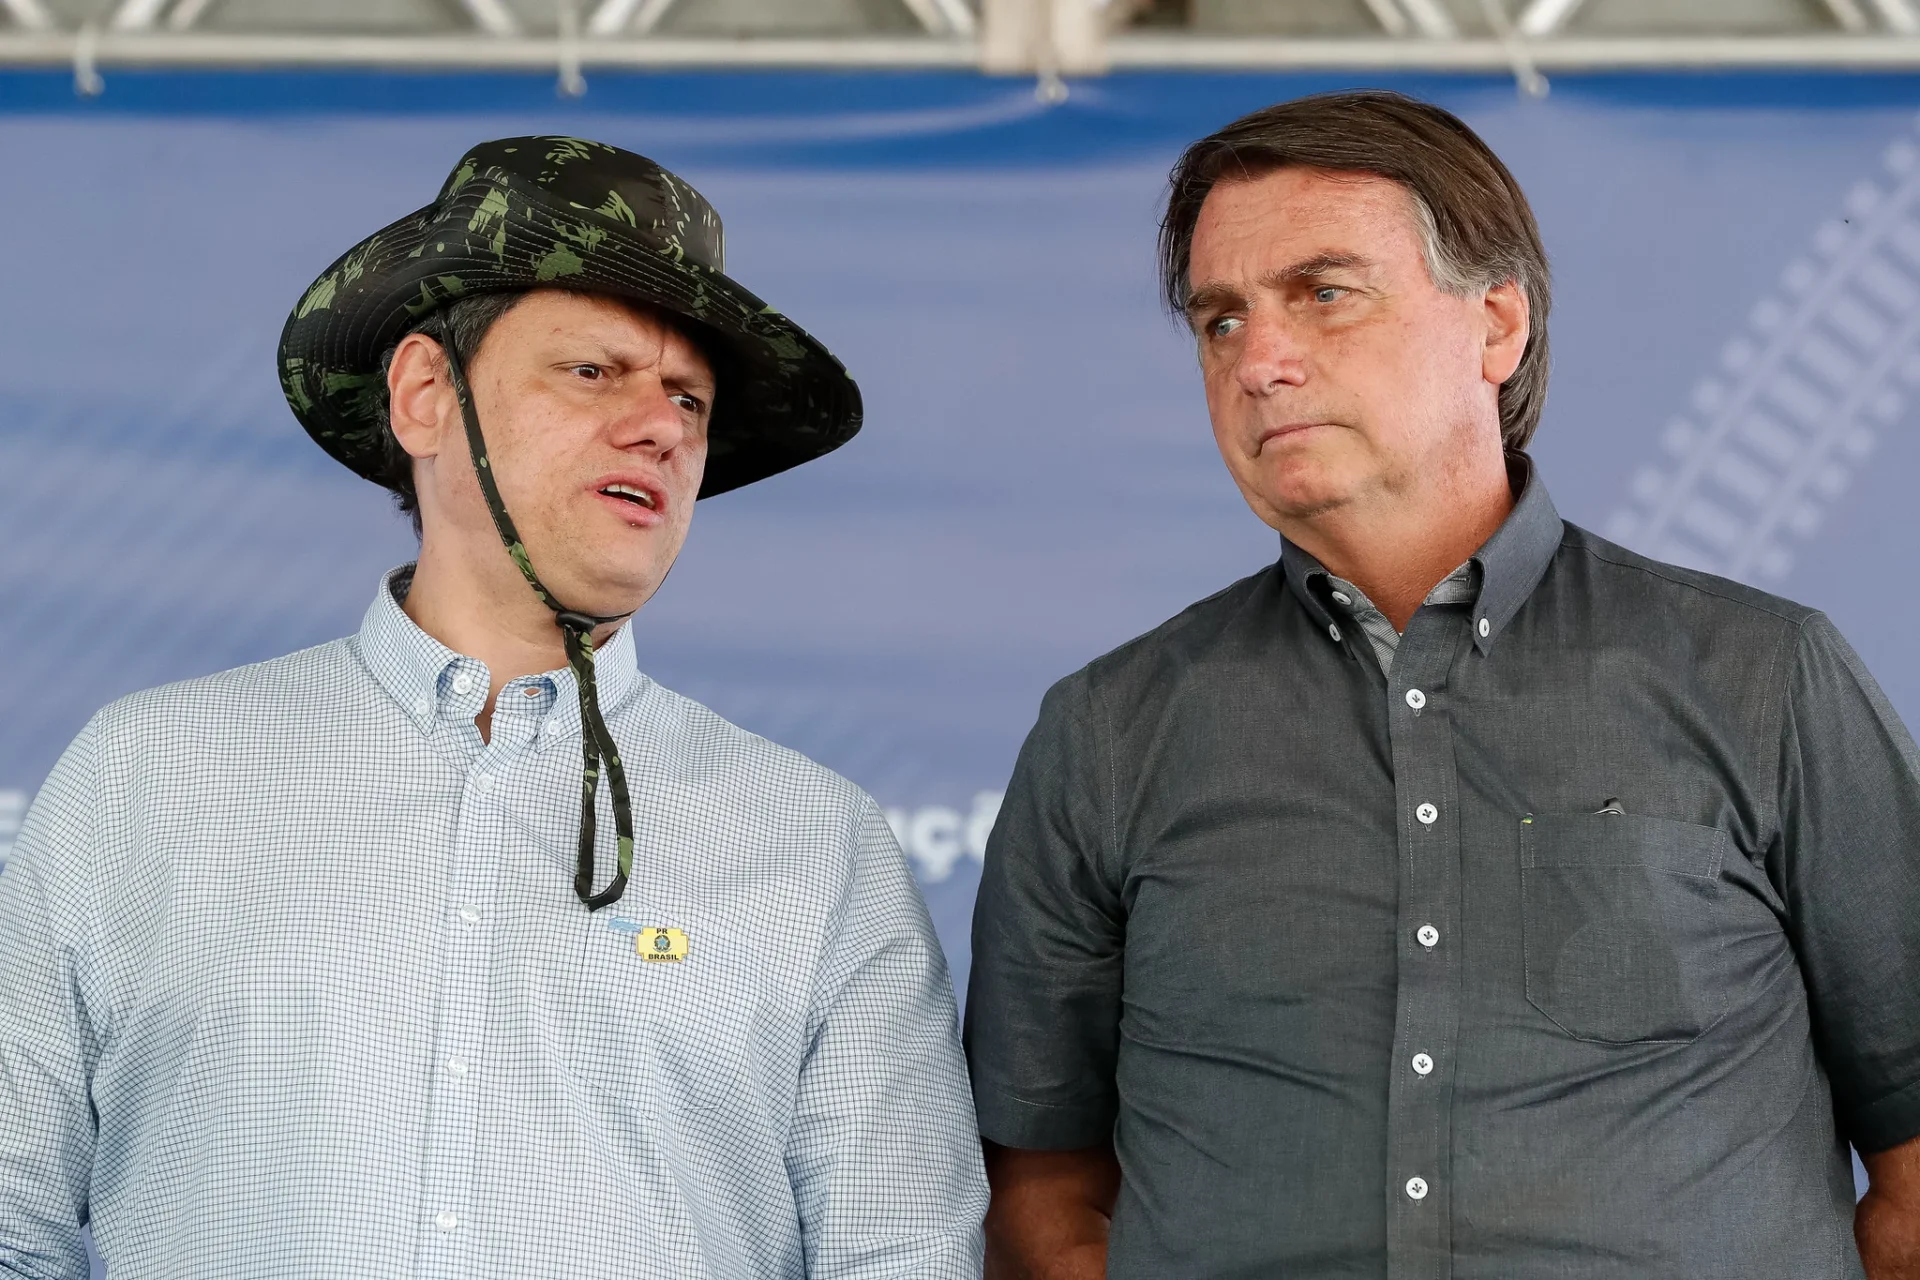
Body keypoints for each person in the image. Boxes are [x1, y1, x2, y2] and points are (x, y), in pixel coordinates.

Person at [965, 91, 1920, 1279]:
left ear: (1497, 324)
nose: (1260, 361)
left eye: (1324, 292)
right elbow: (1039, 1192)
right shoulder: (1107, 731)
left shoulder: (1764, 675)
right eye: (1220, 320)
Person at [0, 136, 986, 1279]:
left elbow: (901, 1255)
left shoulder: (817, 840)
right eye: (594, 370)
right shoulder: (145, 772)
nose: (662, 425)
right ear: (426, 394)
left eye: (689, 397)